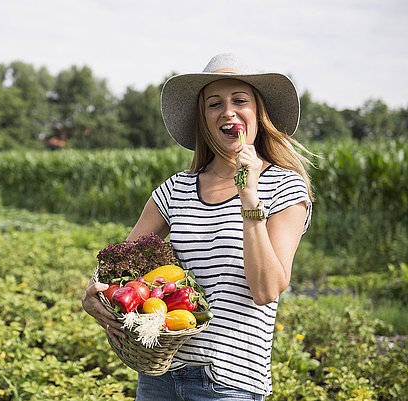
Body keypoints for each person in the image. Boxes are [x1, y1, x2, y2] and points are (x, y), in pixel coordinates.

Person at [82, 52, 313, 400]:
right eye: (214, 104)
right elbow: (117, 267)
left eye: (240, 100)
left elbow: (266, 289)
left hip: (228, 383)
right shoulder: (177, 188)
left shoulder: (285, 187)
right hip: (161, 376)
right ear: (204, 119)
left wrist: (249, 197)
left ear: (257, 112)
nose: (228, 112)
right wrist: (94, 296)